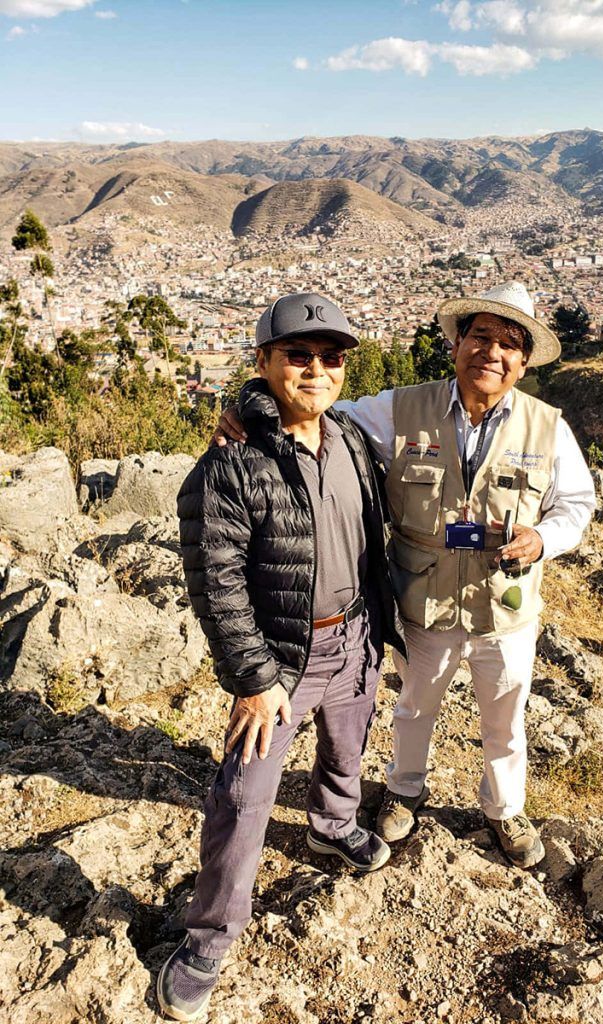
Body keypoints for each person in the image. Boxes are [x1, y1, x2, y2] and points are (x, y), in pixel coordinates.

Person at [215, 281, 595, 874]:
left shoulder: (549, 428)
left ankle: (505, 808)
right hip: (423, 599)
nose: (490, 353)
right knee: (415, 706)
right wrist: (248, 407)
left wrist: (544, 538)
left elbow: (576, 504)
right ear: (457, 344)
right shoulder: (399, 408)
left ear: (522, 363)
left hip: (506, 605)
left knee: (505, 715)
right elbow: (317, 409)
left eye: (507, 344)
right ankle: (404, 791)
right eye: (480, 336)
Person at [158, 292, 406, 1022]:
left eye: (331, 358)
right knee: (243, 795)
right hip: (281, 656)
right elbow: (216, 581)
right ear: (263, 361)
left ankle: (333, 826)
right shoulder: (231, 464)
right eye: (298, 354)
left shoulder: (352, 439)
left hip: (354, 632)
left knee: (347, 745)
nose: (317, 370)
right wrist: (255, 678)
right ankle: (209, 938)